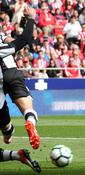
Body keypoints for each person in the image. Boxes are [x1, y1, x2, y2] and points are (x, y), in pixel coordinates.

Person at [0, 6, 40, 150]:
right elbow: (21, 41)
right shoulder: (1, 37)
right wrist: (30, 20)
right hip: (11, 72)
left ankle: (8, 132)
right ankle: (30, 121)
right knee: (28, 108)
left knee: (4, 121)